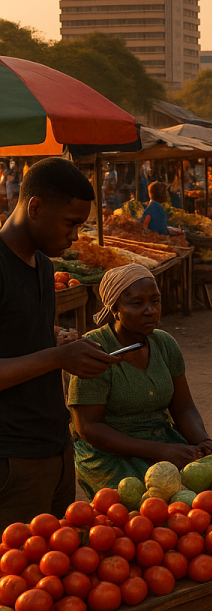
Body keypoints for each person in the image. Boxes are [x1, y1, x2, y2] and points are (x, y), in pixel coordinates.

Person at [0, 158, 119, 529]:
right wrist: (57, 356)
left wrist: (58, 338)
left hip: (56, 446)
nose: (75, 237)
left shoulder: (44, 266)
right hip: (12, 457)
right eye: (71, 223)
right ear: (34, 207)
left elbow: (17, 331)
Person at [68, 265, 212, 498]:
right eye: (137, 303)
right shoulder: (94, 350)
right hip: (108, 455)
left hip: (162, 441)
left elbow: (183, 407)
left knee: (209, 492)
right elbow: (89, 428)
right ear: (115, 309)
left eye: (155, 301)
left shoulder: (165, 344)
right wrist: (162, 451)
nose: (150, 310)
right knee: (146, 508)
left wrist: (202, 440)